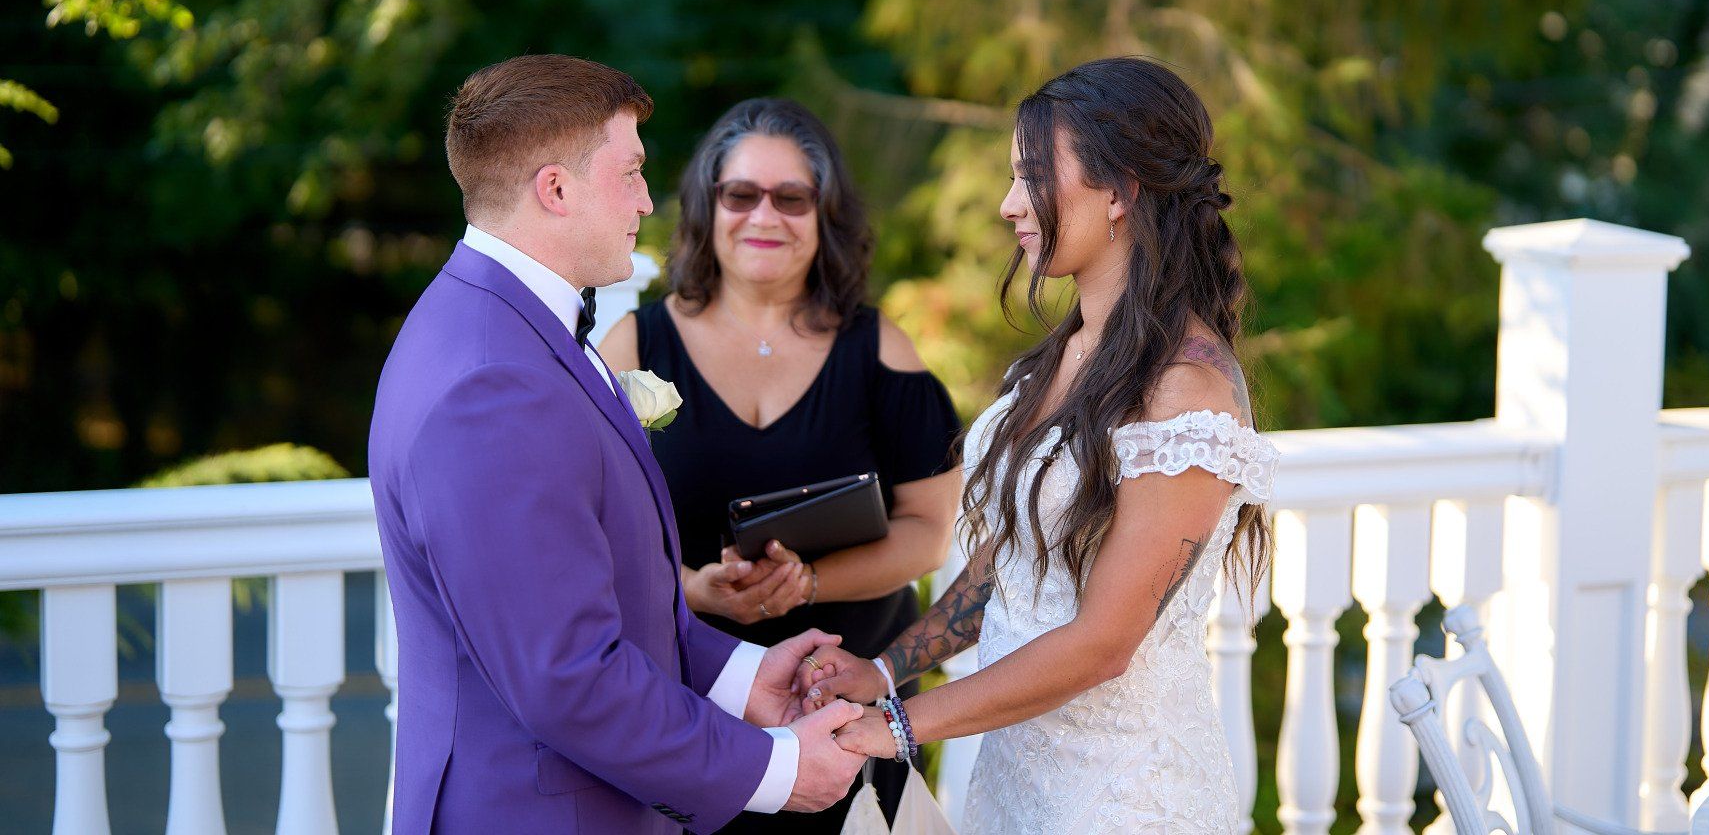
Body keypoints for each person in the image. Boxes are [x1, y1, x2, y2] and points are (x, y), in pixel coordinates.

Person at [367, 55, 866, 834]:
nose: (646, 198)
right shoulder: (491, 383)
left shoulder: (509, 324)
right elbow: (565, 676)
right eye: (630, 172)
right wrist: (774, 768)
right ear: (555, 190)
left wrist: (740, 679)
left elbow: (603, 601)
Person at [802, 57, 1279, 833]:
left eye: (1031, 177)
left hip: (1124, 801)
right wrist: (886, 671)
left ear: (1121, 191)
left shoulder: (1187, 390)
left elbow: (1101, 644)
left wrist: (894, 730)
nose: (1008, 205)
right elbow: (1017, 556)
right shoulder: (1070, 352)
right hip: (1018, 782)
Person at [601, 97, 963, 832]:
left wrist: (810, 583)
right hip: (695, 715)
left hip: (850, 712)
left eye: (791, 198)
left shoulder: (879, 348)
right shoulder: (635, 347)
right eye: (741, 195)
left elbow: (929, 531)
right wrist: (695, 591)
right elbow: (592, 536)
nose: (764, 216)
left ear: (825, 215)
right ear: (708, 207)